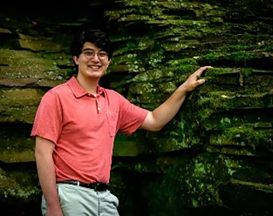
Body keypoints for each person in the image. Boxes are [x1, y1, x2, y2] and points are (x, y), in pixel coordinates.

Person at [31, 25, 212, 216]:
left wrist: (184, 88)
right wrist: (52, 205)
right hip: (69, 197)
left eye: (102, 54)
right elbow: (42, 153)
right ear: (76, 58)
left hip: (105, 198)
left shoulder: (113, 100)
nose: (95, 59)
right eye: (88, 53)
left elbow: (154, 120)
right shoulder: (56, 97)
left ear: (109, 61)